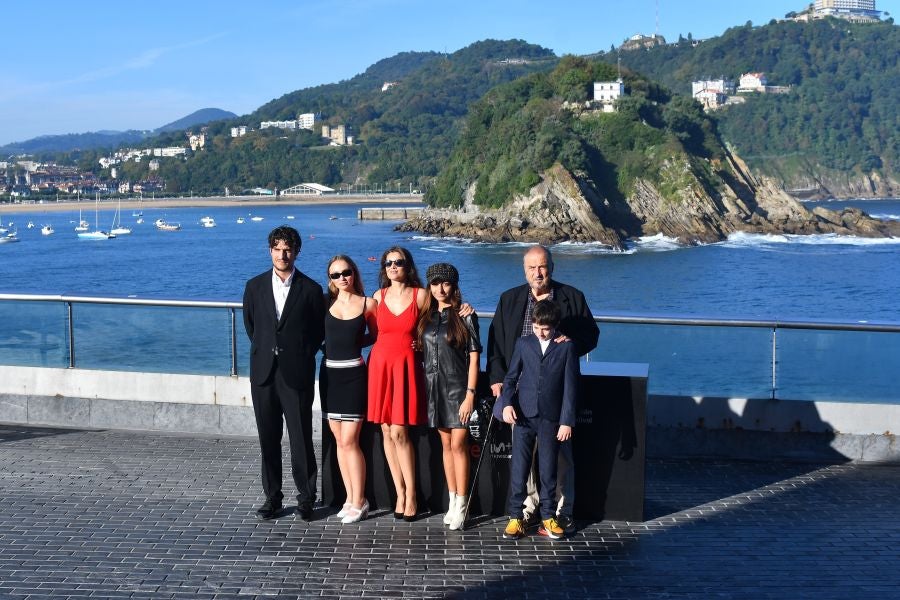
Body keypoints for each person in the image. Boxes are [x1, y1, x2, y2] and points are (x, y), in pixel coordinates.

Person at [486, 244, 599, 533]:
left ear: (552, 266)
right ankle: (526, 510)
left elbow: (591, 335)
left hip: (555, 397)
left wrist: (569, 340)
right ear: (524, 270)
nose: (538, 273)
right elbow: (496, 343)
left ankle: (561, 511)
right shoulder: (509, 299)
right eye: (532, 268)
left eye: (542, 267)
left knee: (559, 459)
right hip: (519, 398)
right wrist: (498, 380)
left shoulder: (572, 297)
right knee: (523, 460)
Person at [243, 225, 325, 521]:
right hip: (263, 373)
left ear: (297, 252)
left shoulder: (312, 289)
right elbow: (252, 326)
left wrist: (300, 353)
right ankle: (272, 498)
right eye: (277, 248)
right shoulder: (254, 286)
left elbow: (317, 331)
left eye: (288, 249)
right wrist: (269, 350)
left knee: (301, 437)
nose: (283, 254)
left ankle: (306, 498)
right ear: (270, 251)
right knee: (268, 437)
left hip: (297, 373)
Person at [497, 299, 579, 540]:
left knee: (548, 470)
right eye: (537, 327)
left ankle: (547, 517)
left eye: (546, 329)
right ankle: (515, 517)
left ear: (555, 326)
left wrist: (567, 421)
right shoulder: (523, 344)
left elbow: (570, 388)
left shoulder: (566, 347)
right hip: (523, 415)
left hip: (551, 419)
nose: (541, 333)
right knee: (520, 468)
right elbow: (511, 378)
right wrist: (507, 404)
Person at [418, 263, 481, 531]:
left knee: (459, 446)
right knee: (445, 446)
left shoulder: (465, 315)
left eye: (445, 283)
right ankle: (452, 501)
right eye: (434, 283)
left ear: (454, 286)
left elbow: (475, 356)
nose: (440, 289)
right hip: (433, 388)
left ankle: (463, 505)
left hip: (458, 389)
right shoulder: (426, 317)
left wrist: (470, 395)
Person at [367, 246, 428, 521]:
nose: (393, 266)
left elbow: (439, 323)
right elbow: (367, 330)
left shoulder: (421, 296)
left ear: (408, 266)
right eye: (388, 262)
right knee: (387, 432)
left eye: (398, 262)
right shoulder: (377, 298)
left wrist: (422, 344)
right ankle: (399, 492)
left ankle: (412, 494)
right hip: (380, 366)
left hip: (405, 366)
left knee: (401, 432)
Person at [320, 255, 377, 524]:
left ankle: (360, 500)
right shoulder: (325, 303)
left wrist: (353, 343)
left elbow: (376, 336)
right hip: (330, 375)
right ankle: (349, 498)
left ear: (354, 273)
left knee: (351, 441)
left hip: (354, 374)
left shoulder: (368, 304)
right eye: (335, 275)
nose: (342, 278)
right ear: (330, 280)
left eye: (346, 272)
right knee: (339, 441)